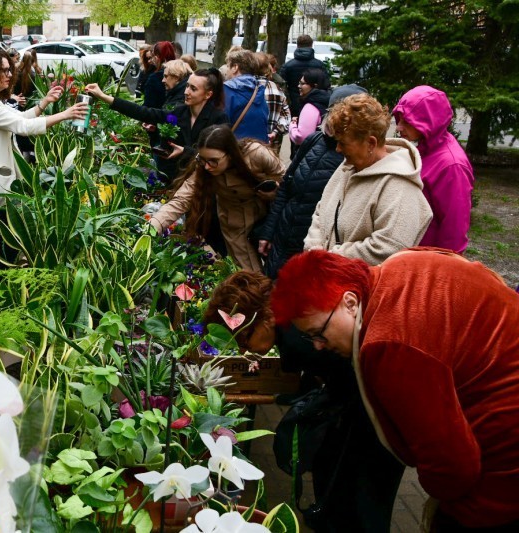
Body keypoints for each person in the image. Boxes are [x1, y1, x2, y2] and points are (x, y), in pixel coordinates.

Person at [271, 248, 519, 532]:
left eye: (319, 332)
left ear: (349, 302)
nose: (317, 345)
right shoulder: (397, 265)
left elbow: (453, 466)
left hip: (505, 454)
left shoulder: (387, 343)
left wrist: (438, 494)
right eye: (309, 337)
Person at [204, 268, 405, 532]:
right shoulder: (291, 307)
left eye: (244, 338)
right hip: (373, 407)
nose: (243, 349)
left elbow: (349, 379)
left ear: (266, 318)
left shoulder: (299, 337)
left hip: (376, 414)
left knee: (362, 496)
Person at [0, 49, 87, 271]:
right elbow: (23, 126)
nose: (10, 75)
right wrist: (65, 114)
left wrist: (44, 103)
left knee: (2, 247)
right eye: (4, 70)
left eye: (9, 70)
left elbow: (18, 117)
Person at [304, 93, 432, 265]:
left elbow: (389, 247)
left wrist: (332, 258)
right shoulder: (349, 167)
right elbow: (321, 211)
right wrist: (314, 250)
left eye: (343, 143)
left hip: (360, 281)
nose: (338, 149)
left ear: (371, 143)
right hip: (328, 273)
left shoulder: (399, 185)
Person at [258, 84, 366, 279]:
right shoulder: (314, 140)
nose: (333, 118)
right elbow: (286, 186)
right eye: (332, 110)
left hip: (310, 249)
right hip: (282, 238)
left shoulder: (355, 159)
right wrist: (268, 232)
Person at [148, 124, 284, 271]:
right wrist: (154, 225)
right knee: (249, 272)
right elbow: (181, 200)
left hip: (268, 216)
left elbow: (287, 182)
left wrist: (274, 193)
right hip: (234, 221)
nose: (207, 166)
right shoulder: (203, 168)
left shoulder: (257, 153)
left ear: (230, 153)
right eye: (203, 159)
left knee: (279, 268)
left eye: (213, 160)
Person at [86, 68, 230, 182]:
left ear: (208, 94)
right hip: (176, 181)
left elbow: (220, 157)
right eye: (186, 86)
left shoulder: (218, 119)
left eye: (193, 89)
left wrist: (185, 151)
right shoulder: (179, 112)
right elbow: (144, 113)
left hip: (204, 183)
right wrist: (103, 96)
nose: (186, 92)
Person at [392, 85, 475, 253]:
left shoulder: (451, 165)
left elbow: (454, 232)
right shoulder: (426, 149)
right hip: (411, 254)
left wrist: (441, 266)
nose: (399, 127)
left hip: (427, 259)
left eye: (406, 121)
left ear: (429, 121)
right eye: (399, 120)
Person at [223, 48, 269, 143]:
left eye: (228, 66)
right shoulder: (259, 91)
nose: (226, 70)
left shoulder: (227, 90)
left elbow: (219, 126)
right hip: (257, 148)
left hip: (235, 147)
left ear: (235, 67)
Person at [279, 34, 328, 116]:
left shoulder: (288, 65)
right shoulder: (319, 65)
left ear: (297, 45)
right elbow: (326, 84)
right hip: (316, 103)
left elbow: (281, 86)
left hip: (294, 102)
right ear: (311, 45)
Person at [288, 67, 330, 148]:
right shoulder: (327, 100)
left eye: (302, 84)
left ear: (314, 86)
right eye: (299, 83)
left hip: (311, 151)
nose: (298, 86)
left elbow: (301, 138)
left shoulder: (311, 107)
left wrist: (292, 126)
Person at [14, 49, 43, 159]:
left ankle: (22, 152)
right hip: (31, 106)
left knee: (20, 130)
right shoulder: (34, 75)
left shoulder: (17, 74)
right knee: (29, 129)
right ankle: (32, 154)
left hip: (19, 104)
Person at [143, 41, 176, 109]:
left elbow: (148, 107)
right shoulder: (182, 74)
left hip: (159, 114)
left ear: (157, 57)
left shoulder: (154, 78)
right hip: (175, 114)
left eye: (152, 56)